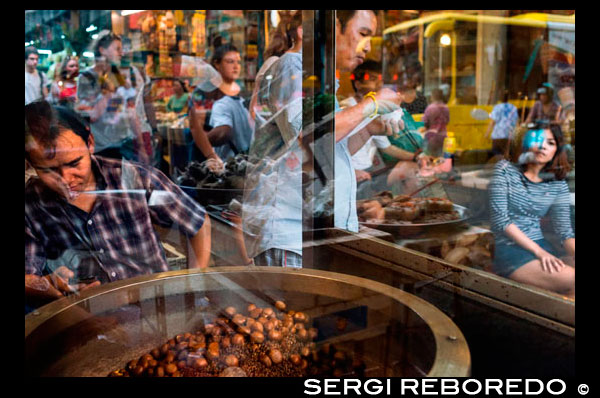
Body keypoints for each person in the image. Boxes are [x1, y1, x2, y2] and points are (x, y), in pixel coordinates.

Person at [25, 101, 211, 310]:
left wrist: (194, 282)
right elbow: (27, 277)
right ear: (31, 165)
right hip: (89, 321)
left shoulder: (136, 180)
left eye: (74, 163)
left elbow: (198, 222)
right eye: (48, 171)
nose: (66, 179)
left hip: (156, 308)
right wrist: (49, 286)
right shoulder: (31, 206)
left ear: (90, 143)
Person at [331, 10, 405, 229]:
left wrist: (369, 129)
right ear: (335, 27)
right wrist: (372, 103)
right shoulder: (299, 71)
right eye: (363, 33)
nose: (368, 47)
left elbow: (325, 153)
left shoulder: (329, 83)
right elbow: (312, 142)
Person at [242, 11, 303, 268]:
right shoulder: (286, 66)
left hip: (293, 216)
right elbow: (299, 133)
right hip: (282, 218)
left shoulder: (294, 68)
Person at [488, 123, 574, 298]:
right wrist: (539, 252)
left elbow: (564, 231)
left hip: (542, 246)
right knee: (572, 279)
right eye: (537, 140)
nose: (543, 146)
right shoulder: (505, 171)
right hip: (509, 248)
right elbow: (500, 221)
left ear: (556, 149)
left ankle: (553, 323)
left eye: (551, 143)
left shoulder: (557, 183)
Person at [76, 30, 151, 164]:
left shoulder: (118, 74)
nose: (121, 53)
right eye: (117, 49)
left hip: (125, 146)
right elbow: (92, 116)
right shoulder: (87, 78)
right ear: (102, 50)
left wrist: (141, 146)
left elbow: (131, 111)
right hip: (102, 150)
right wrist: (109, 92)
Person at [485, 89, 518, 159]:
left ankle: (499, 167)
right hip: (508, 135)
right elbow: (515, 123)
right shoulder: (513, 108)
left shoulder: (497, 107)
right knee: (507, 155)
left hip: (498, 135)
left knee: (496, 155)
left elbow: (492, 122)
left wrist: (487, 134)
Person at [422, 88, 450, 157]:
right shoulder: (446, 107)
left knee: (428, 157)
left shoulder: (430, 108)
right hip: (443, 135)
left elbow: (425, 122)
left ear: (433, 96)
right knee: (440, 157)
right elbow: (447, 121)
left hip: (431, 136)